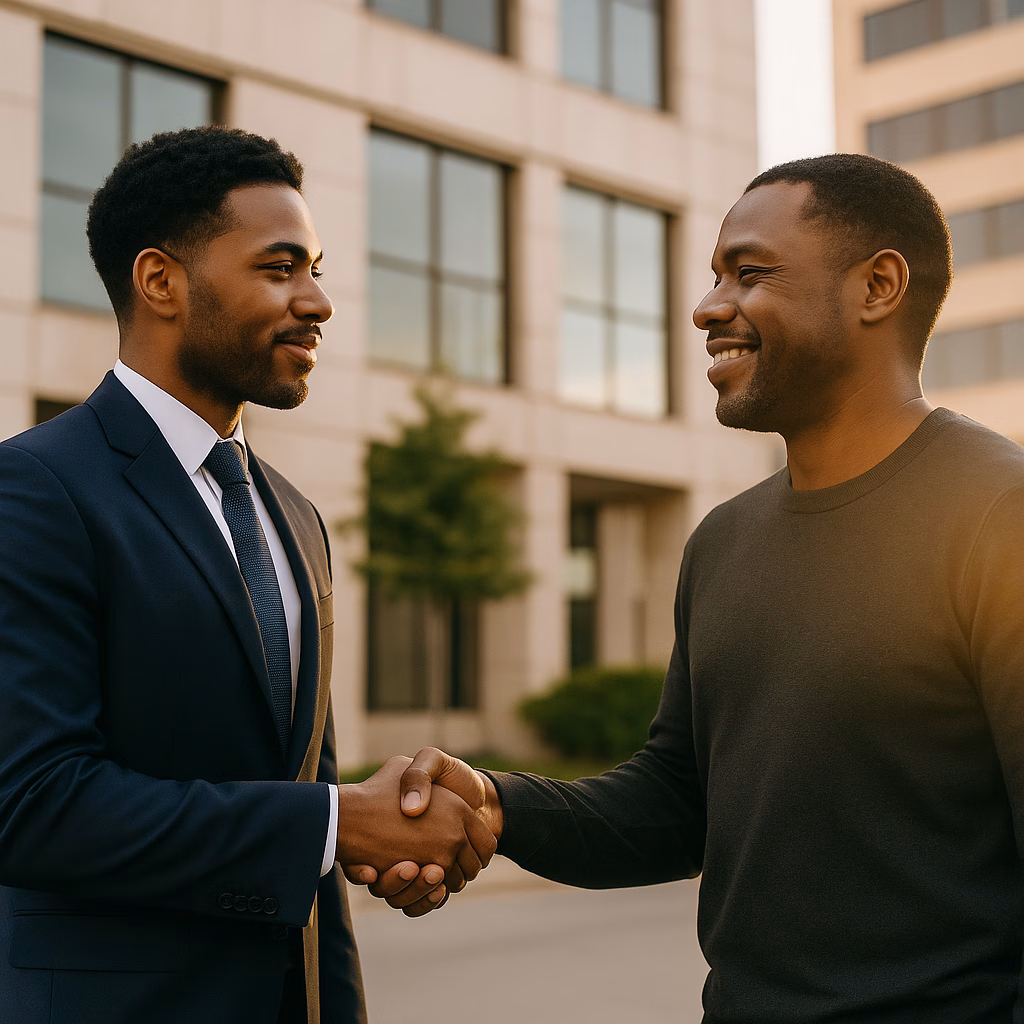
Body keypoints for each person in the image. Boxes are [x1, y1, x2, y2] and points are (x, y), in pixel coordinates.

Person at [357, 154, 1024, 1022]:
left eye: (749, 273)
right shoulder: (724, 541)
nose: (709, 307)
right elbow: (677, 802)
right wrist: (493, 802)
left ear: (878, 286)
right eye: (714, 277)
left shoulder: (997, 517)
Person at [0, 126, 495, 1024]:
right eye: (280, 269)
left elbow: (311, 791)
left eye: (316, 269)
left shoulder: (297, 516)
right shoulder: (32, 490)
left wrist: (357, 847)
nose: (319, 302)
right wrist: (341, 824)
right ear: (161, 282)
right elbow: (32, 804)